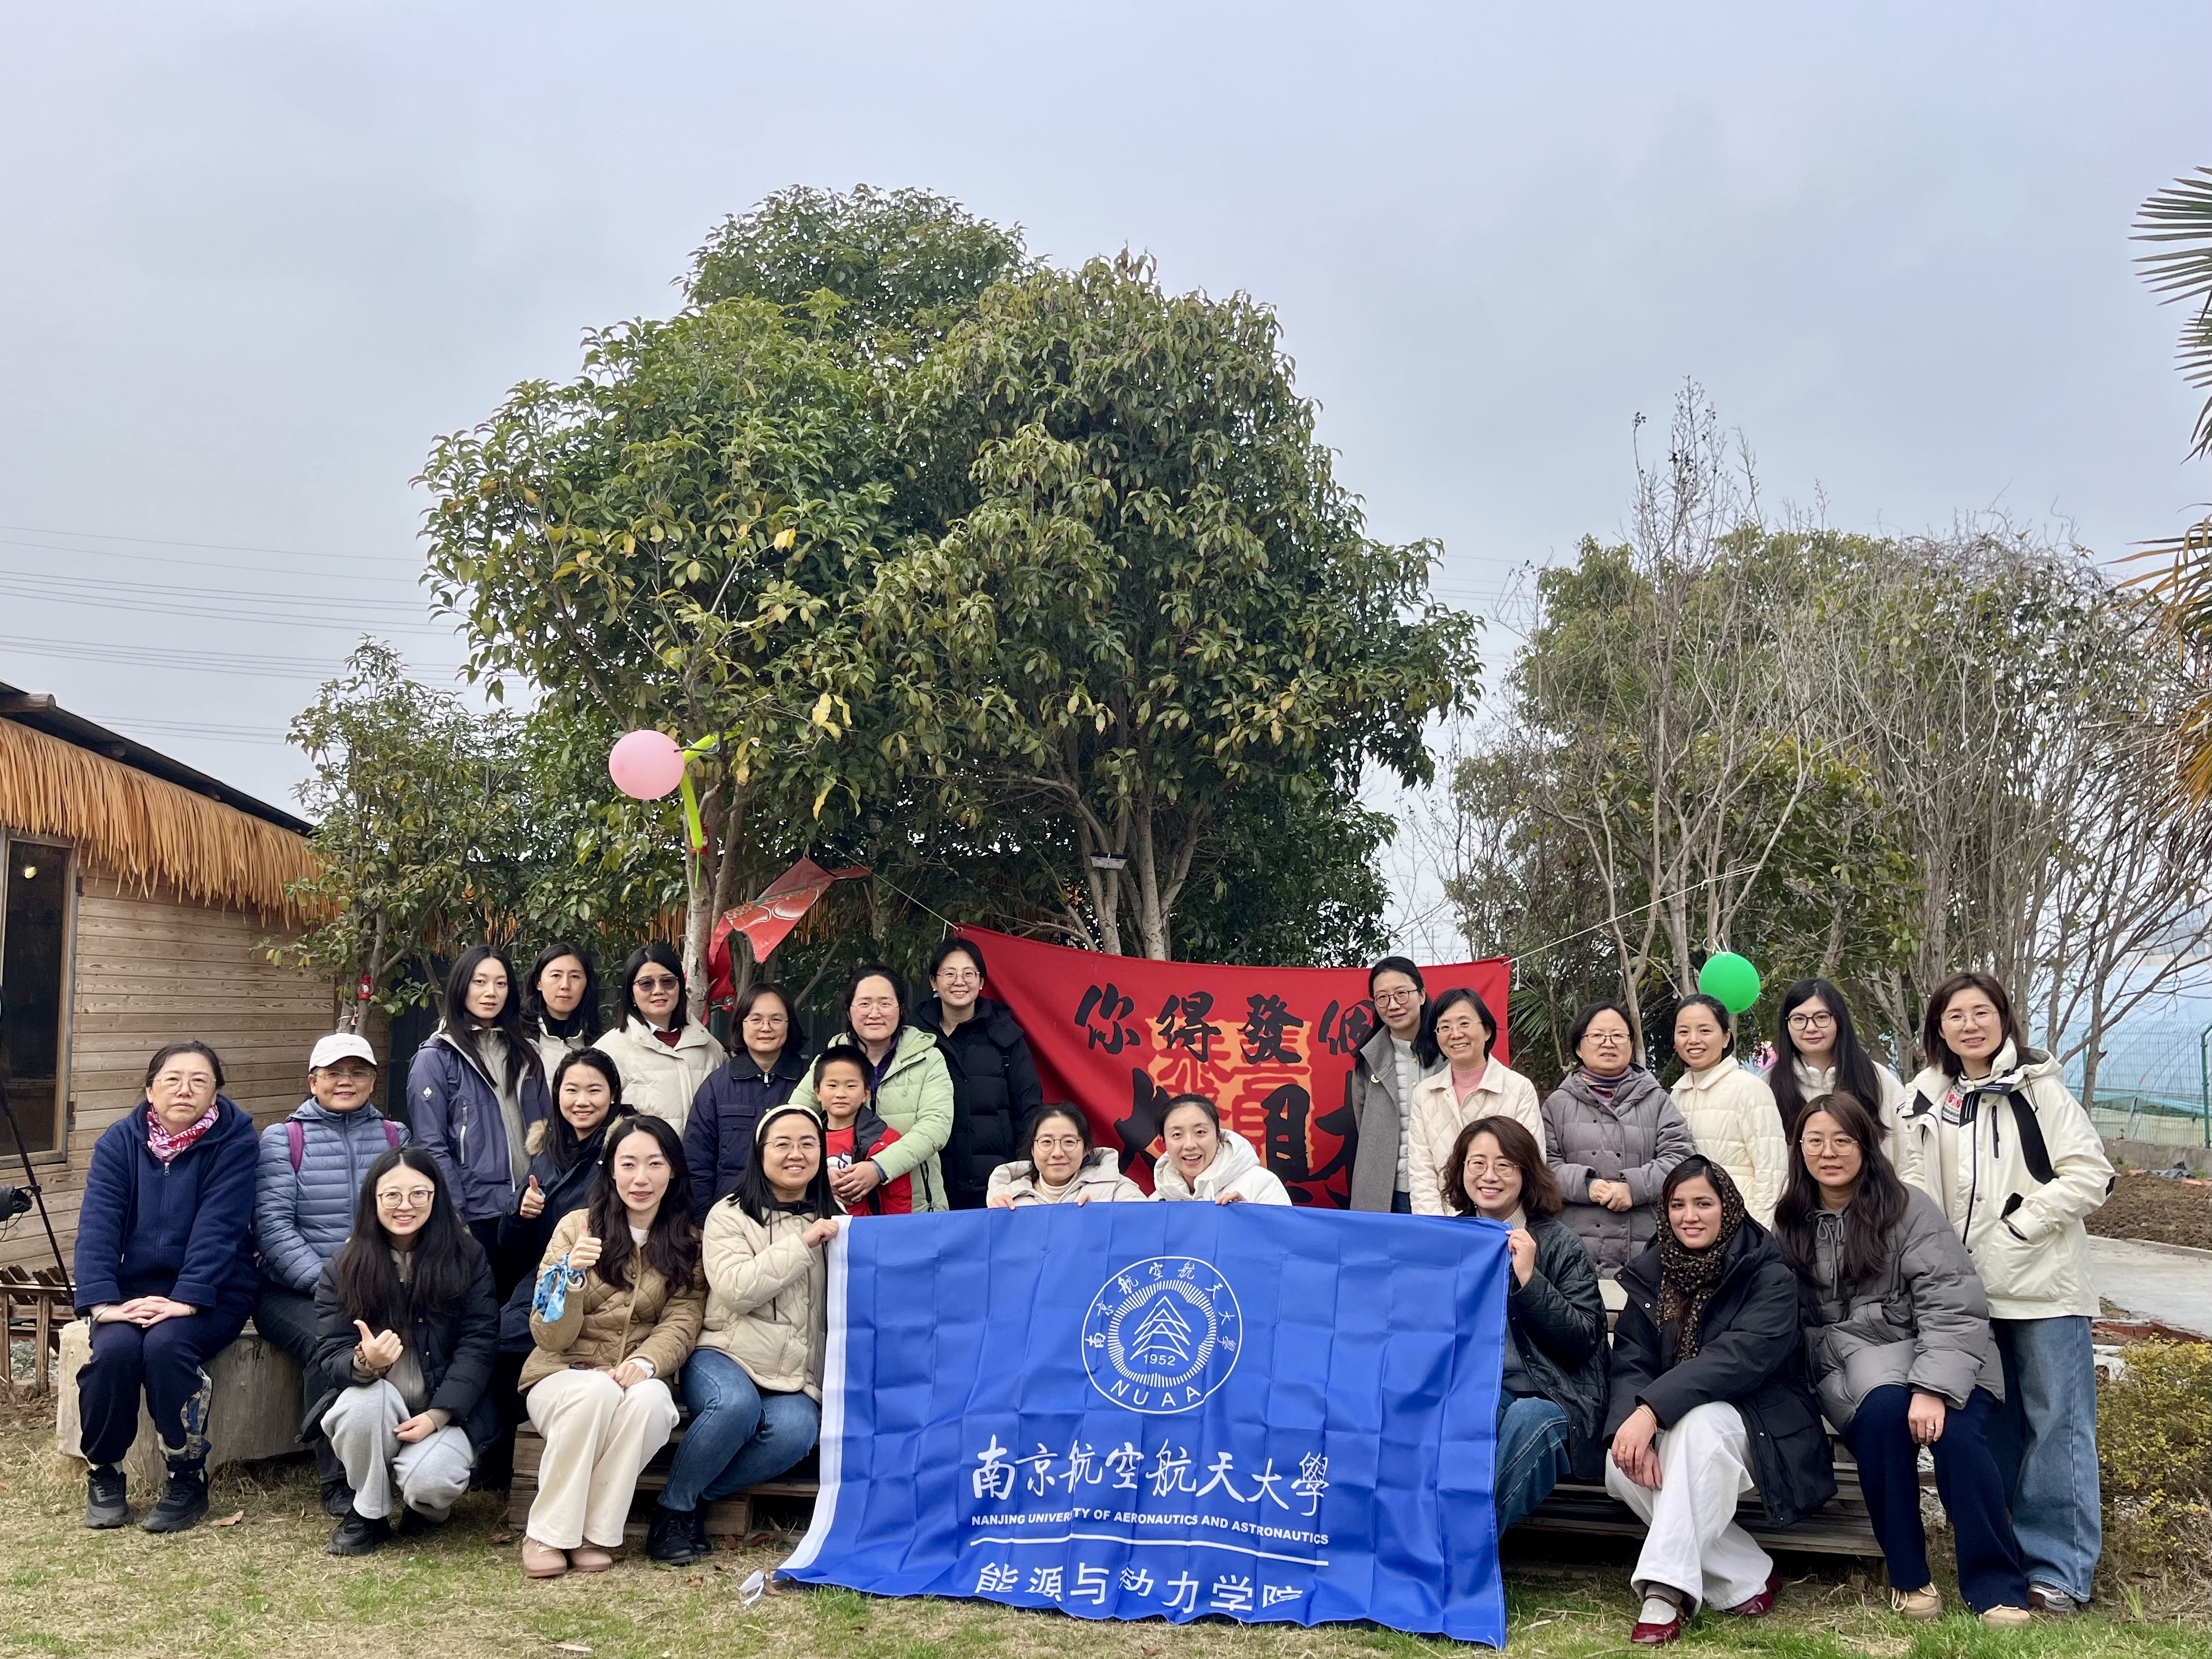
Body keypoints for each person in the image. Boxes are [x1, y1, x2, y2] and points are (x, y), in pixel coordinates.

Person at [1894, 972, 2113, 1617]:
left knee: (2058, 1427)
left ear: (2003, 1018)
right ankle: (2008, 1555)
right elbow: (1910, 1180)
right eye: (1955, 1015)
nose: (1969, 1025)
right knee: (1995, 1429)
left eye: (1981, 1012)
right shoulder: (1923, 1096)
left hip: (2044, 1288)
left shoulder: (2039, 1089)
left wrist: (2019, 1227)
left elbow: (2091, 1174)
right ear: (1938, 1028)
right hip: (1967, 1296)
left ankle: (2060, 1571)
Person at [1775, 1091, 2031, 1628]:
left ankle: (1996, 1586)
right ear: (1798, 1149)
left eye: (1842, 1140)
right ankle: (1909, 1576)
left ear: (1866, 1146)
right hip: (1855, 1368)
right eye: (1814, 1141)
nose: (1828, 1152)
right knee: (1881, 1421)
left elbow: (1951, 1304)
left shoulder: (1908, 1208)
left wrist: (1933, 1388)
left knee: (1956, 1435)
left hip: (1943, 1352)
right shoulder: (1791, 1220)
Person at [1603, 1157, 1835, 1645]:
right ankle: (1747, 1575)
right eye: (1677, 1205)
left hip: (1765, 1428)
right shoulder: (1656, 1270)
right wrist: (1631, 1420)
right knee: (1619, 1462)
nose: (1689, 1216)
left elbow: (1736, 1360)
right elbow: (1630, 1358)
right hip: (1678, 1419)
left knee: (1698, 1428)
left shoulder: (1768, 1274)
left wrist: (1649, 1411)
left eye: (1702, 1204)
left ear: (1727, 1208)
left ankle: (1663, 1591)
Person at [73, 1041, 260, 1534]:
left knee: (166, 1348)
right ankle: (105, 1473)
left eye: (200, 1081)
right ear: (150, 1089)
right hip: (133, 1289)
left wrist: (187, 1299)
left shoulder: (235, 1140)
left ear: (216, 1092)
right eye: (172, 1079)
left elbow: (221, 1226)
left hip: (215, 1287)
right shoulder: (119, 1142)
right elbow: (98, 1224)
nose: (185, 1090)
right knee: (113, 1352)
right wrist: (101, 1303)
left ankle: (186, 1476)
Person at [649, 1103, 842, 1564]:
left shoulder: (837, 1218)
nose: (796, 1154)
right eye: (782, 1144)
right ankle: (671, 1512)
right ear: (760, 1152)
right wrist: (802, 1243)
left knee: (796, 1431)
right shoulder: (729, 1214)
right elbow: (736, 1290)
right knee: (735, 1407)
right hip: (724, 1354)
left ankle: (695, 1498)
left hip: (794, 1371)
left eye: (808, 1144)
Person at [519, 1115, 705, 1578]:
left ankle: (595, 1534)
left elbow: (683, 1319)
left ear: (673, 1171)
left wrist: (648, 1361)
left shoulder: (688, 1242)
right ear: (611, 1170)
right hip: (561, 1375)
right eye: (628, 1164)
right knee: (595, 1391)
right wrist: (572, 1276)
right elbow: (548, 1336)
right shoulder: (575, 1227)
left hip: (632, 1376)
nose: (641, 1178)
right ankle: (546, 1534)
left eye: (654, 1164)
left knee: (653, 1402)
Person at [307, 1149, 500, 1556]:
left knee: (429, 1483)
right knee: (361, 1405)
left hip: (445, 1408)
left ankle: (427, 1508)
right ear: (373, 1199)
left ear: (436, 1196)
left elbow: (479, 1342)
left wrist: (439, 1414)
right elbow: (330, 1354)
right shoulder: (344, 1266)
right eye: (392, 1195)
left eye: (419, 1194)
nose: (405, 1205)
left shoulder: (468, 1258)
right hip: (380, 1404)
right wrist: (365, 1363)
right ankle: (368, 1513)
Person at [253, 1032, 407, 1517]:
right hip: (293, 1292)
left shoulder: (394, 1137)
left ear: (373, 1082)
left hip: (377, 1285)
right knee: (330, 1347)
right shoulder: (283, 1139)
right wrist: (331, 1284)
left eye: (358, 1072)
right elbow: (273, 1226)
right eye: (334, 1073)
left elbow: (410, 1214)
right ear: (313, 1081)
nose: (346, 1081)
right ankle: (336, 1477)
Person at [1441, 1116, 1607, 1533]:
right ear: (1462, 1171)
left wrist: (1531, 1280)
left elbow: (1583, 1341)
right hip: (1482, 1389)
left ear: (1525, 1173)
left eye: (1504, 1165)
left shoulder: (1558, 1243)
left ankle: (1463, 1545)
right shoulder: (1448, 1241)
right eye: (1477, 1163)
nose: (1489, 1176)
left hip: (1557, 1393)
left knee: (1529, 1417)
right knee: (1462, 1413)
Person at [485, 1051, 636, 1483]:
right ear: (556, 1095)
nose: (581, 1101)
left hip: (608, 1280)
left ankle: (534, 1454)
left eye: (594, 1090)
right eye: (571, 1090)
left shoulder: (625, 1146)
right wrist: (520, 1212)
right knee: (491, 1342)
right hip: (548, 1273)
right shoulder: (547, 1151)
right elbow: (514, 1246)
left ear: (613, 1095)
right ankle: (506, 1455)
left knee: (514, 1344)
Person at [408, 946, 550, 1294]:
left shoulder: (527, 1053)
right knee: (482, 1309)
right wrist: (456, 1215)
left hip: (529, 1207)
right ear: (461, 986)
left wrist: (544, 1191)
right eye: (480, 982)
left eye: (501, 983)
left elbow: (547, 1131)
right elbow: (431, 1145)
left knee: (528, 1308)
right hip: (477, 1214)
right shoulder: (436, 1057)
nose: (491, 992)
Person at [1542, 1001, 1695, 1281]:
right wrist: (1586, 1185)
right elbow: (1543, 1165)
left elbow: (1681, 1158)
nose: (1608, 1043)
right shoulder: (1556, 1104)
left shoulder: (1657, 1100)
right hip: (1574, 1244)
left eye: (1618, 1035)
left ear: (1631, 1044)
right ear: (1579, 1048)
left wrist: (1633, 1188)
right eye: (1597, 1036)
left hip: (1645, 1245)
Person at [787, 964, 956, 1212]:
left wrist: (879, 1167)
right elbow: (793, 1118)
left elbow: (936, 1126)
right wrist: (820, 1171)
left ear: (900, 1009)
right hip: (841, 1207)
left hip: (916, 1206)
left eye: (885, 1003)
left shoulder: (928, 1058)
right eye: (865, 1004)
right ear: (849, 1011)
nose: (875, 1013)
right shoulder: (831, 1060)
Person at [916, 937, 1043, 1211]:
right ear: (934, 982)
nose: (959, 982)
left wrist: (1021, 1174)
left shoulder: (1006, 1036)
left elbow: (1029, 1108)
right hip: (929, 1186)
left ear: (981, 982)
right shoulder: (913, 1037)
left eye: (969, 974)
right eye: (950, 974)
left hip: (996, 1188)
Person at [1406, 986, 1543, 1216]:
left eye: (1464, 1023)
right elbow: (1422, 1172)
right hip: (1443, 1224)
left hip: (1502, 1223)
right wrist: (1435, 1226)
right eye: (1445, 1027)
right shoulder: (1425, 1093)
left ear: (1487, 1030)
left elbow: (1532, 1164)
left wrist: (1503, 1225)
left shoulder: (1519, 1088)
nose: (1455, 1034)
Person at [683, 980, 807, 1220]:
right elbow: (697, 1164)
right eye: (756, 1019)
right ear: (741, 1024)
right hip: (732, 1218)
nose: (766, 1028)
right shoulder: (717, 1086)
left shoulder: (810, 1081)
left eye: (776, 1019)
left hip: (799, 1215)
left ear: (790, 1025)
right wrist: (703, 1222)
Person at [1668, 994, 1787, 1227]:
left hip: (1741, 1226)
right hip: (1692, 1227)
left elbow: (1773, 1171)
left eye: (1705, 1030)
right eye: (1683, 1032)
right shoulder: (1676, 1095)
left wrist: (1758, 1232)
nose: (1693, 1040)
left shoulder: (1749, 1089)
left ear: (1725, 1038)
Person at [1767, 978, 1905, 1160]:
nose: (1811, 1028)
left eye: (1822, 1017)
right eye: (1799, 1019)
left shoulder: (1876, 1078)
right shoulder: (1768, 1084)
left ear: (1839, 1020)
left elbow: (1906, 1150)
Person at [594, 944, 727, 1132]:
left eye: (668, 982)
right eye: (646, 984)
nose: (658, 990)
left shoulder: (711, 1047)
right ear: (631, 993)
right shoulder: (609, 1050)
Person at [1345, 956, 1439, 1213]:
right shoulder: (1368, 1060)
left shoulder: (1449, 1054)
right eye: (1382, 998)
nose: (1393, 1005)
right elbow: (1364, 1126)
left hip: (1441, 1190)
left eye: (1401, 994)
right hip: (1385, 1192)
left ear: (1421, 995)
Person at [987, 1105, 1150, 1206]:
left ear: (1086, 1149)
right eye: (1046, 1142)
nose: (1057, 1153)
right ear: (1033, 1149)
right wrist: (996, 1218)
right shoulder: (1008, 1197)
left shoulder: (1115, 1188)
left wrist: (1105, 1219)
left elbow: (1148, 1228)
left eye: (1069, 1142)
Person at [813, 1050, 913, 1216]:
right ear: (818, 1092)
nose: (841, 1094)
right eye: (832, 1086)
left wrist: (893, 1230)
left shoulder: (886, 1140)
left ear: (866, 1093)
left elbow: (899, 1199)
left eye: (851, 1086)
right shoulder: (806, 1139)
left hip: (867, 1228)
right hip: (816, 1226)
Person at [1152, 1095, 1292, 1204]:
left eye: (1200, 1132)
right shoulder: (1158, 1200)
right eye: (1177, 1135)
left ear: (1218, 1134)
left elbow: (1283, 1232)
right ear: (1164, 1141)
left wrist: (1247, 1217)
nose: (1189, 1145)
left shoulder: (1262, 1184)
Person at [523, 944, 606, 1083]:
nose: (565, 985)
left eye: (575, 976)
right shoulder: (517, 1037)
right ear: (538, 982)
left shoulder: (601, 1042)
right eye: (556, 975)